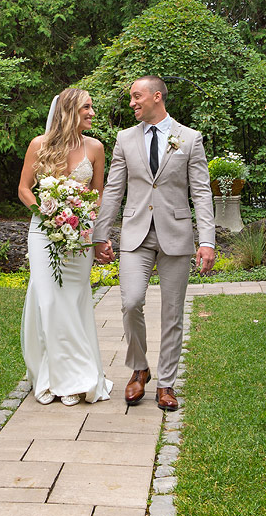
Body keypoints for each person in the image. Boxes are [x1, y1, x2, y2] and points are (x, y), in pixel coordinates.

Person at [92, 76, 215, 411]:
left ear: (156, 97)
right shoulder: (124, 139)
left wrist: (208, 240)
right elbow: (114, 190)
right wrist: (99, 235)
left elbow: (201, 192)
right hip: (135, 233)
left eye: (137, 96)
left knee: (172, 312)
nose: (132, 103)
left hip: (176, 233)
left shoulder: (189, 138)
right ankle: (139, 368)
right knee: (131, 303)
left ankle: (167, 384)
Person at [17, 87, 113, 406]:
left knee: (73, 301)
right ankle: (52, 376)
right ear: (70, 109)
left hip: (80, 235)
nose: (92, 113)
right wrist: (48, 216)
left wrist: (86, 221)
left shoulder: (96, 148)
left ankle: (77, 378)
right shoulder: (39, 145)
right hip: (43, 233)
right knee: (49, 302)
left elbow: (97, 195)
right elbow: (24, 189)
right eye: (87, 107)